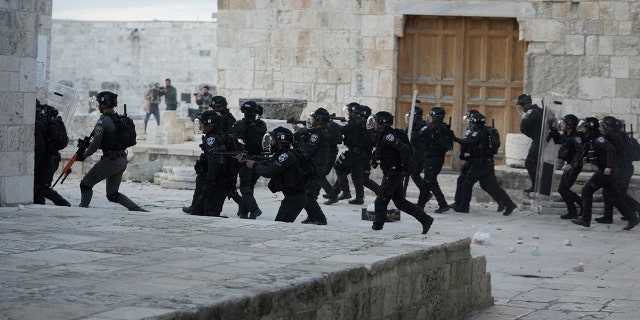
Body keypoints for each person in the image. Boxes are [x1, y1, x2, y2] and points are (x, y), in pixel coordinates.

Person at [77, 91, 148, 212]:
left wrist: (84, 155)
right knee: (112, 194)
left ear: (104, 104)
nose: (98, 105)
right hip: (122, 160)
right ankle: (136, 209)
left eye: (99, 103)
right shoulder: (119, 119)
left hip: (110, 160)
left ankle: (82, 210)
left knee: (86, 184)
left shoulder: (103, 121)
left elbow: (95, 144)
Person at [368, 111, 434, 234]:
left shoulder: (389, 136)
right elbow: (380, 149)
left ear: (382, 123)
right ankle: (425, 219)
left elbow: (403, 149)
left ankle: (376, 228)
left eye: (376, 121)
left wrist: (404, 167)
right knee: (400, 202)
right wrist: (375, 160)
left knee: (381, 200)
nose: (374, 123)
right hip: (391, 172)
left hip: (394, 172)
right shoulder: (383, 135)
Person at [571, 117, 638, 230]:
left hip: (606, 171)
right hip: (609, 171)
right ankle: (632, 218)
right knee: (614, 197)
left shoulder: (599, 138)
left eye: (585, 127)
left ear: (589, 127)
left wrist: (609, 167)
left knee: (586, 191)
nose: (583, 130)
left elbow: (611, 150)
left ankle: (586, 219)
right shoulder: (593, 138)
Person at [452, 112, 517, 215]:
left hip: (480, 163)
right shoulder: (484, 131)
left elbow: (468, 142)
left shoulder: (478, 132)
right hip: (487, 162)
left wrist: (455, 139)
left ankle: (464, 207)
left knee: (467, 183)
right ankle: (509, 204)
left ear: (474, 122)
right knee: (492, 185)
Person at [240, 127, 307, 222]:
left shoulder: (286, 155)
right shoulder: (283, 154)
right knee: (281, 225)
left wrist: (254, 165)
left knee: (281, 226)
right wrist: (247, 160)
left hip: (294, 198)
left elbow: (269, 171)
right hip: (292, 197)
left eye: (273, 139)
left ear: (280, 141)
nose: (271, 142)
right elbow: (267, 163)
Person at [596, 116, 640, 224]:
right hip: (626, 167)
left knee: (615, 193)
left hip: (620, 168)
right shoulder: (623, 135)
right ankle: (612, 215)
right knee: (614, 192)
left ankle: (631, 212)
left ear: (607, 125)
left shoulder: (612, 136)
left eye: (604, 125)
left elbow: (614, 152)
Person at [191, 110, 236, 217]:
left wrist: (209, 182)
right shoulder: (221, 136)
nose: (201, 126)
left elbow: (215, 163)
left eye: (202, 123)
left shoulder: (212, 139)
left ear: (210, 124)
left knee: (210, 214)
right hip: (220, 181)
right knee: (199, 211)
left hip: (217, 182)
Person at [230, 101, 267, 219]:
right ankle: (244, 212)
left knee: (245, 186)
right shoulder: (262, 125)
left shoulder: (240, 124)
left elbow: (230, 138)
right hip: (259, 159)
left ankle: (254, 209)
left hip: (246, 159)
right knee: (250, 187)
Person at [296, 108, 331, 225]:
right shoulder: (320, 131)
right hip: (315, 166)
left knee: (307, 194)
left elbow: (307, 150)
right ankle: (312, 216)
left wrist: (299, 141)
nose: (312, 121)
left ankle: (320, 218)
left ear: (320, 120)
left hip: (315, 167)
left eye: (315, 119)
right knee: (307, 193)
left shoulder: (317, 134)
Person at [546, 114, 584, 220]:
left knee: (563, 189)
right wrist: (552, 130)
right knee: (563, 189)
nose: (562, 125)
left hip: (574, 166)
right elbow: (558, 140)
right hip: (569, 165)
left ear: (570, 125)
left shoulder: (576, 137)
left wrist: (571, 165)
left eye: (564, 123)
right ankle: (580, 206)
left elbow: (580, 152)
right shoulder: (566, 136)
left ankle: (575, 209)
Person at [34, 101, 71, 206]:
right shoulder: (46, 120)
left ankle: (64, 204)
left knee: (41, 188)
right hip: (52, 159)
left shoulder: (37, 124)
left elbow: (39, 148)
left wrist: (33, 166)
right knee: (39, 190)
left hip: (44, 162)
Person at [332, 102, 369, 205]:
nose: (348, 113)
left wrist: (332, 123)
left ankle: (345, 192)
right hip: (361, 153)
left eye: (349, 111)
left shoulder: (353, 122)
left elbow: (342, 130)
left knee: (339, 168)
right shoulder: (362, 121)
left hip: (353, 152)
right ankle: (359, 197)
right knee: (357, 176)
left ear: (353, 112)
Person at [417, 106, 451, 213]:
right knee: (428, 180)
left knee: (431, 181)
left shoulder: (430, 127)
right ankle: (420, 204)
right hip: (439, 158)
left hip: (431, 158)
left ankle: (443, 204)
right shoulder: (445, 128)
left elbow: (418, 136)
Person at [402, 106, 429, 204]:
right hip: (415, 153)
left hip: (417, 154)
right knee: (414, 175)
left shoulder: (422, 126)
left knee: (408, 174)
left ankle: (403, 195)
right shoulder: (412, 125)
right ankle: (425, 193)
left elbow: (415, 137)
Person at [517, 94, 543, 192]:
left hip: (538, 140)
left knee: (529, 163)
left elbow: (523, 126)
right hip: (540, 139)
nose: (521, 108)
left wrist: (522, 115)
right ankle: (538, 186)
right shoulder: (538, 110)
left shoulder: (532, 111)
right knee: (534, 163)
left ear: (526, 104)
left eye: (521, 106)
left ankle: (536, 186)